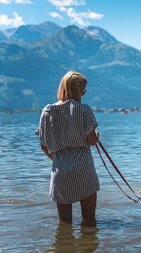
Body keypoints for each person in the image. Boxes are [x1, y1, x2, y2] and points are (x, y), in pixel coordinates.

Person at [36, 71, 100, 226]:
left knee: (64, 223)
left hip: (60, 168)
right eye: (82, 91)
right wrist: (96, 134)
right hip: (83, 167)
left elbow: (43, 144)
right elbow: (92, 140)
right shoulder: (84, 109)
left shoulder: (47, 111)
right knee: (89, 220)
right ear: (76, 90)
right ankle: (88, 247)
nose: (83, 94)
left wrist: (56, 159)